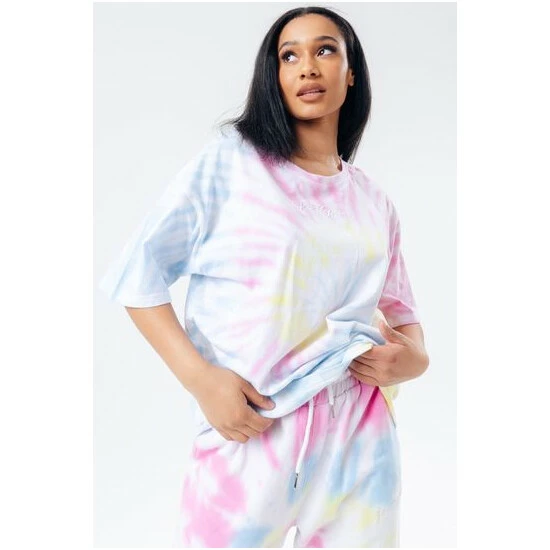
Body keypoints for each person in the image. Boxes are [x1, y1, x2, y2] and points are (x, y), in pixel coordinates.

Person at [98, 5, 429, 548]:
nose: (307, 66)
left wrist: (416, 358)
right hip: (252, 430)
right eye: (289, 55)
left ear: (351, 73)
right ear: (272, 75)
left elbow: (402, 314)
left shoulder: (373, 201)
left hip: (360, 436)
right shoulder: (231, 166)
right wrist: (201, 380)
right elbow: (138, 276)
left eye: (325, 50)